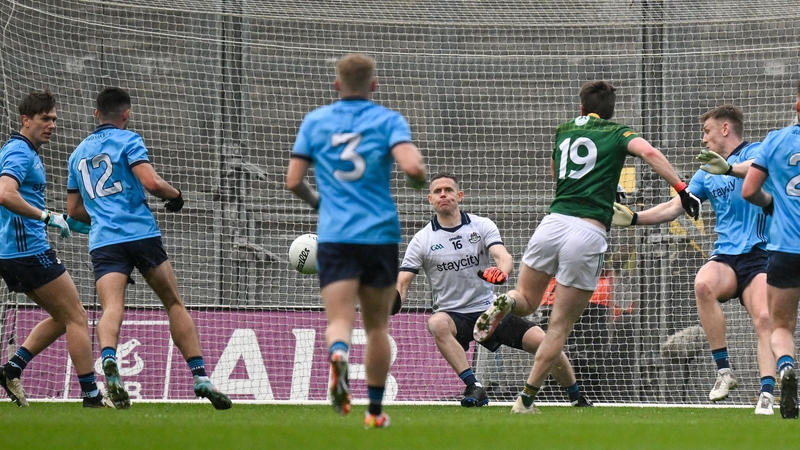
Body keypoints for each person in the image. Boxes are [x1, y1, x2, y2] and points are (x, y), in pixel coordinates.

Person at [472, 80, 701, 414]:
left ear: (581, 107)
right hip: (588, 231)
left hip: (552, 223)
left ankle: (505, 300)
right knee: (559, 328)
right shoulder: (617, 132)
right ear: (610, 111)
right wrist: (681, 188)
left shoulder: (564, 129)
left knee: (525, 301)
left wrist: (600, 186)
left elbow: (558, 172)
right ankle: (525, 400)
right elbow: (649, 153)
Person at [65, 87, 231, 411]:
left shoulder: (77, 154)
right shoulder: (129, 140)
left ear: (97, 114)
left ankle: (109, 358)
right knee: (173, 303)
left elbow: (73, 211)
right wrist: (176, 195)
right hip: (140, 233)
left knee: (112, 307)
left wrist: (102, 214)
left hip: (104, 241)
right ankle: (200, 376)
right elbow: (151, 182)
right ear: (126, 114)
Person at [286, 53, 427, 428]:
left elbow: (293, 180)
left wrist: (320, 204)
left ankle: (338, 353)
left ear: (337, 85)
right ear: (373, 86)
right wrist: (418, 180)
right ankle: (375, 412)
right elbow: (413, 167)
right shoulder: (388, 120)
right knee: (377, 326)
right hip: (379, 234)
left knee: (339, 319)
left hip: (335, 235)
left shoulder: (316, 121)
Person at [612, 104, 775, 415]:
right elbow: (675, 206)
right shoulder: (706, 171)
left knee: (765, 318)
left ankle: (767, 392)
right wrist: (634, 218)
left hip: (760, 254)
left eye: (707, 131)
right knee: (703, 284)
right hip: (727, 255)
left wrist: (728, 169)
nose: (703, 139)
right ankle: (724, 372)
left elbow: (759, 166)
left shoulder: (756, 152)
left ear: (725, 129)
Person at [396, 172, 593, 408]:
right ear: (430, 199)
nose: (443, 195)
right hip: (453, 315)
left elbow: (504, 258)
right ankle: (474, 387)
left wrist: (502, 272)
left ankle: (576, 397)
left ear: (460, 195)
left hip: (490, 312)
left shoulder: (481, 225)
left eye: (448, 190)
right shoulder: (422, 240)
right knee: (436, 323)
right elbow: (402, 283)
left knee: (545, 341)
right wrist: (394, 300)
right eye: (437, 191)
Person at [0, 90, 111, 408]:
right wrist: (47, 217)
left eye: (54, 119)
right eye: (45, 119)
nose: (52, 125)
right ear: (26, 120)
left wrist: (62, 219)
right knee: (77, 317)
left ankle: (12, 369)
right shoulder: (19, 152)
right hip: (27, 252)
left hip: (17, 251)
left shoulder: (24, 151)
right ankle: (91, 395)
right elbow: (5, 193)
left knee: (64, 317)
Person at [742, 81, 800, 419]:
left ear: (797, 104)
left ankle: (787, 366)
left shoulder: (775, 140)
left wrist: (773, 205)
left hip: (785, 250)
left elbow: (749, 190)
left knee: (781, 326)